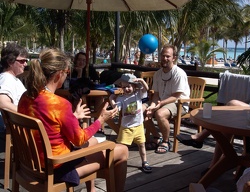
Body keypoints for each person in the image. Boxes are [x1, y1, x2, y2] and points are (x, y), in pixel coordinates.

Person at [17, 48, 128, 192]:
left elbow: (46, 123)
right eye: (67, 73)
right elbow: (79, 139)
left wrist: (73, 117)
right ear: (59, 74)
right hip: (57, 167)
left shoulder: (26, 96)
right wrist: (101, 120)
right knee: (122, 150)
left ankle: (92, 189)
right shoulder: (59, 103)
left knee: (93, 141)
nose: (66, 76)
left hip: (31, 161)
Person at [145, 44, 190, 154]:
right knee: (140, 109)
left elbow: (176, 96)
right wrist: (152, 106)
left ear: (173, 57)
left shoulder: (179, 73)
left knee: (160, 114)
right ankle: (157, 137)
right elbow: (156, 94)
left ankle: (166, 141)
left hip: (179, 103)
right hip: (161, 101)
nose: (165, 59)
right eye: (163, 56)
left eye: (168, 56)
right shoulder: (157, 74)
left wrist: (158, 105)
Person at [109, 73, 152, 173]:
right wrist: (111, 99)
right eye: (124, 87)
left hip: (139, 126)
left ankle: (144, 161)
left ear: (134, 86)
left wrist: (141, 81)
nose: (126, 89)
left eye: (128, 86)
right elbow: (116, 108)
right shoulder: (121, 98)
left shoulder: (138, 94)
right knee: (121, 147)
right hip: (126, 128)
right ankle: (117, 161)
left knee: (142, 145)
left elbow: (146, 89)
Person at [0, 43, 28, 133]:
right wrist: (28, 113)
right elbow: (2, 103)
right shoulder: (6, 79)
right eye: (22, 61)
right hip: (14, 134)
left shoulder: (12, 79)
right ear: (10, 61)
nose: (26, 64)